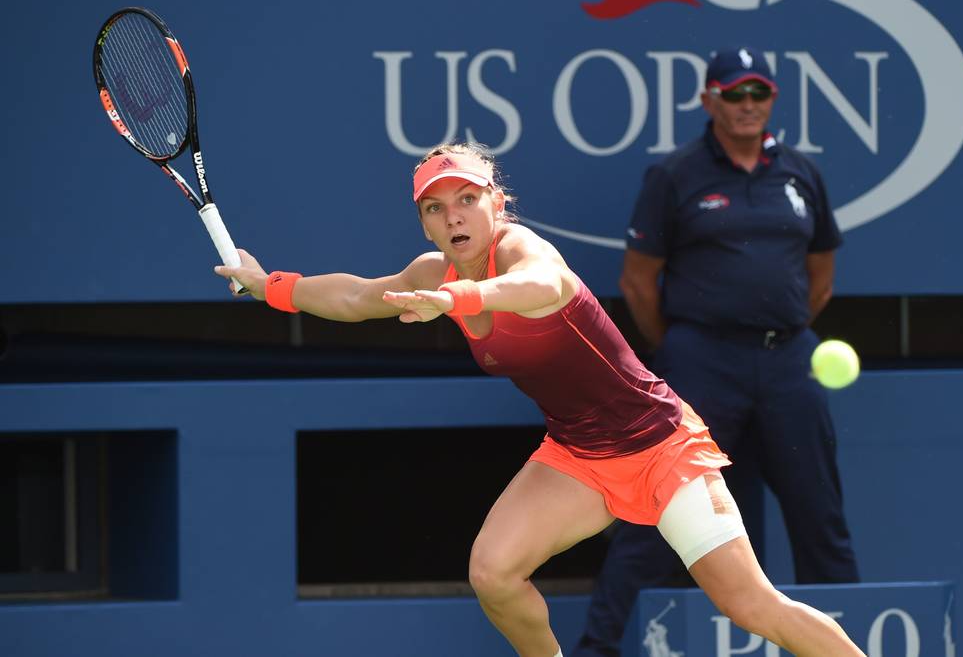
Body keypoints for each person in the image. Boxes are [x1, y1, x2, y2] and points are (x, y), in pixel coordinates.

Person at [215, 141, 865, 657]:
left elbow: (540, 282)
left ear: (497, 203)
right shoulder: (431, 272)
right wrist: (269, 284)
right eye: (435, 208)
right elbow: (356, 297)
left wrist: (461, 299)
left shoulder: (522, 248)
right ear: (423, 220)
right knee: (493, 572)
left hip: (661, 446)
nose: (453, 217)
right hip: (579, 453)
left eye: (467, 199)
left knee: (750, 604)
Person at [573, 46, 860, 656]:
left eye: (758, 94)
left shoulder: (802, 173)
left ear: (773, 101)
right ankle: (599, 649)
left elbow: (821, 275)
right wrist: (684, 345)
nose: (747, 105)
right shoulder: (675, 174)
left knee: (820, 516)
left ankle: (845, 648)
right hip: (700, 363)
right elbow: (637, 282)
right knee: (655, 519)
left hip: (789, 363)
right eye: (734, 94)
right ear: (709, 101)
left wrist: (775, 330)